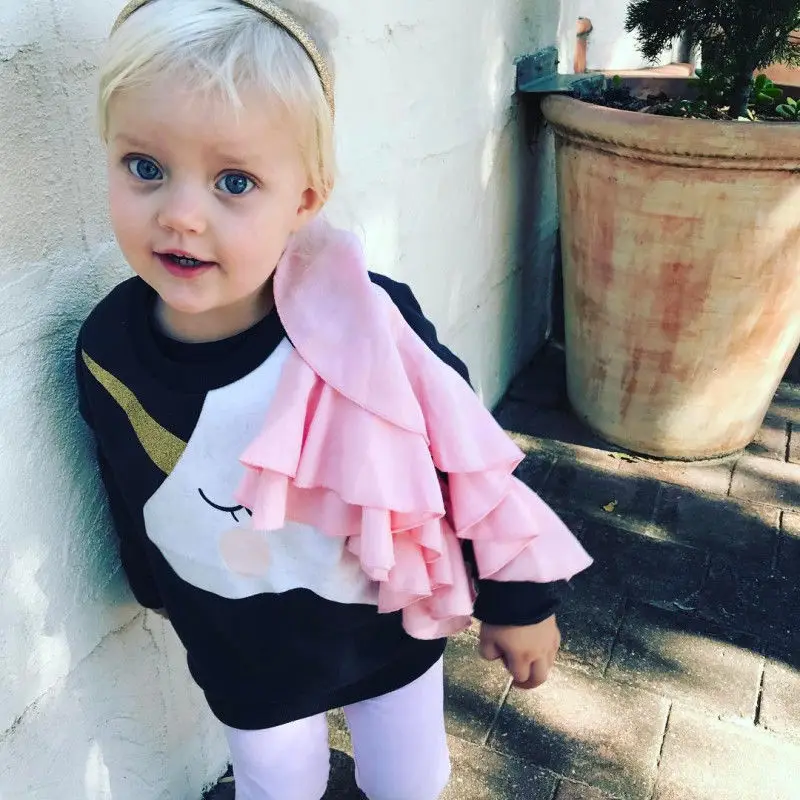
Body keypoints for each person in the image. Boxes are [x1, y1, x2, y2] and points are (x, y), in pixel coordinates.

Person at [75, 1, 592, 798]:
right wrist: (150, 582)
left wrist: (518, 600)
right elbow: (127, 476)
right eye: (145, 166)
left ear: (305, 200)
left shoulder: (370, 323)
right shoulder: (106, 346)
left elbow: (466, 458)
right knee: (276, 783)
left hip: (382, 628)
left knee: (407, 778)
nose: (180, 214)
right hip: (241, 647)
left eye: (235, 182)